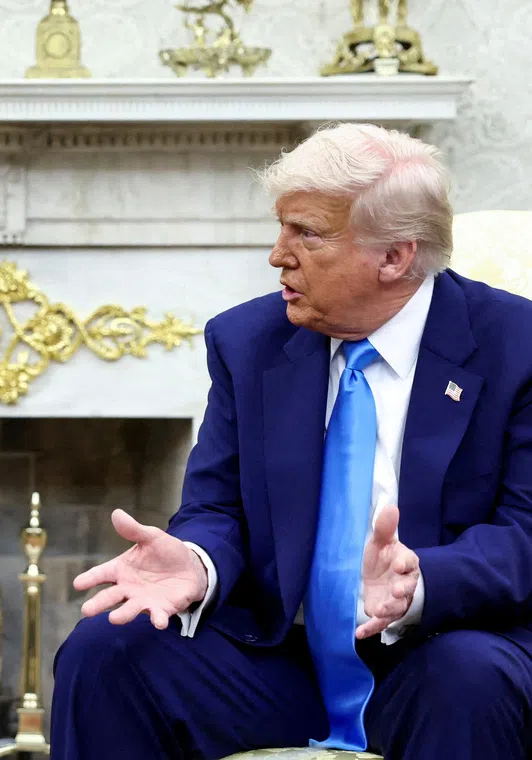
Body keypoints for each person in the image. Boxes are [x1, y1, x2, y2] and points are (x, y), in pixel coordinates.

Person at [51, 123, 532, 760]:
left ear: (394, 257)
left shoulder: (516, 347)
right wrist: (198, 562)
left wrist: (420, 584)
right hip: (284, 663)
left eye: (306, 232)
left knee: (466, 677)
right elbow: (215, 507)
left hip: (443, 648)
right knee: (108, 649)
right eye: (281, 228)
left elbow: (524, 533)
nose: (278, 254)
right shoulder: (249, 342)